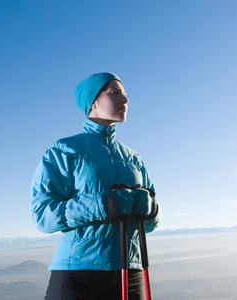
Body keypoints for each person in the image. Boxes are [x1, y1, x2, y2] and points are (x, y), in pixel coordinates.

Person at [30, 72, 161, 300]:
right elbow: (43, 216)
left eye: (125, 94)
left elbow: (148, 225)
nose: (125, 100)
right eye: (115, 93)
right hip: (79, 275)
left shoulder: (133, 158)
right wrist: (104, 204)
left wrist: (150, 209)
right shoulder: (64, 150)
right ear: (93, 103)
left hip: (131, 273)